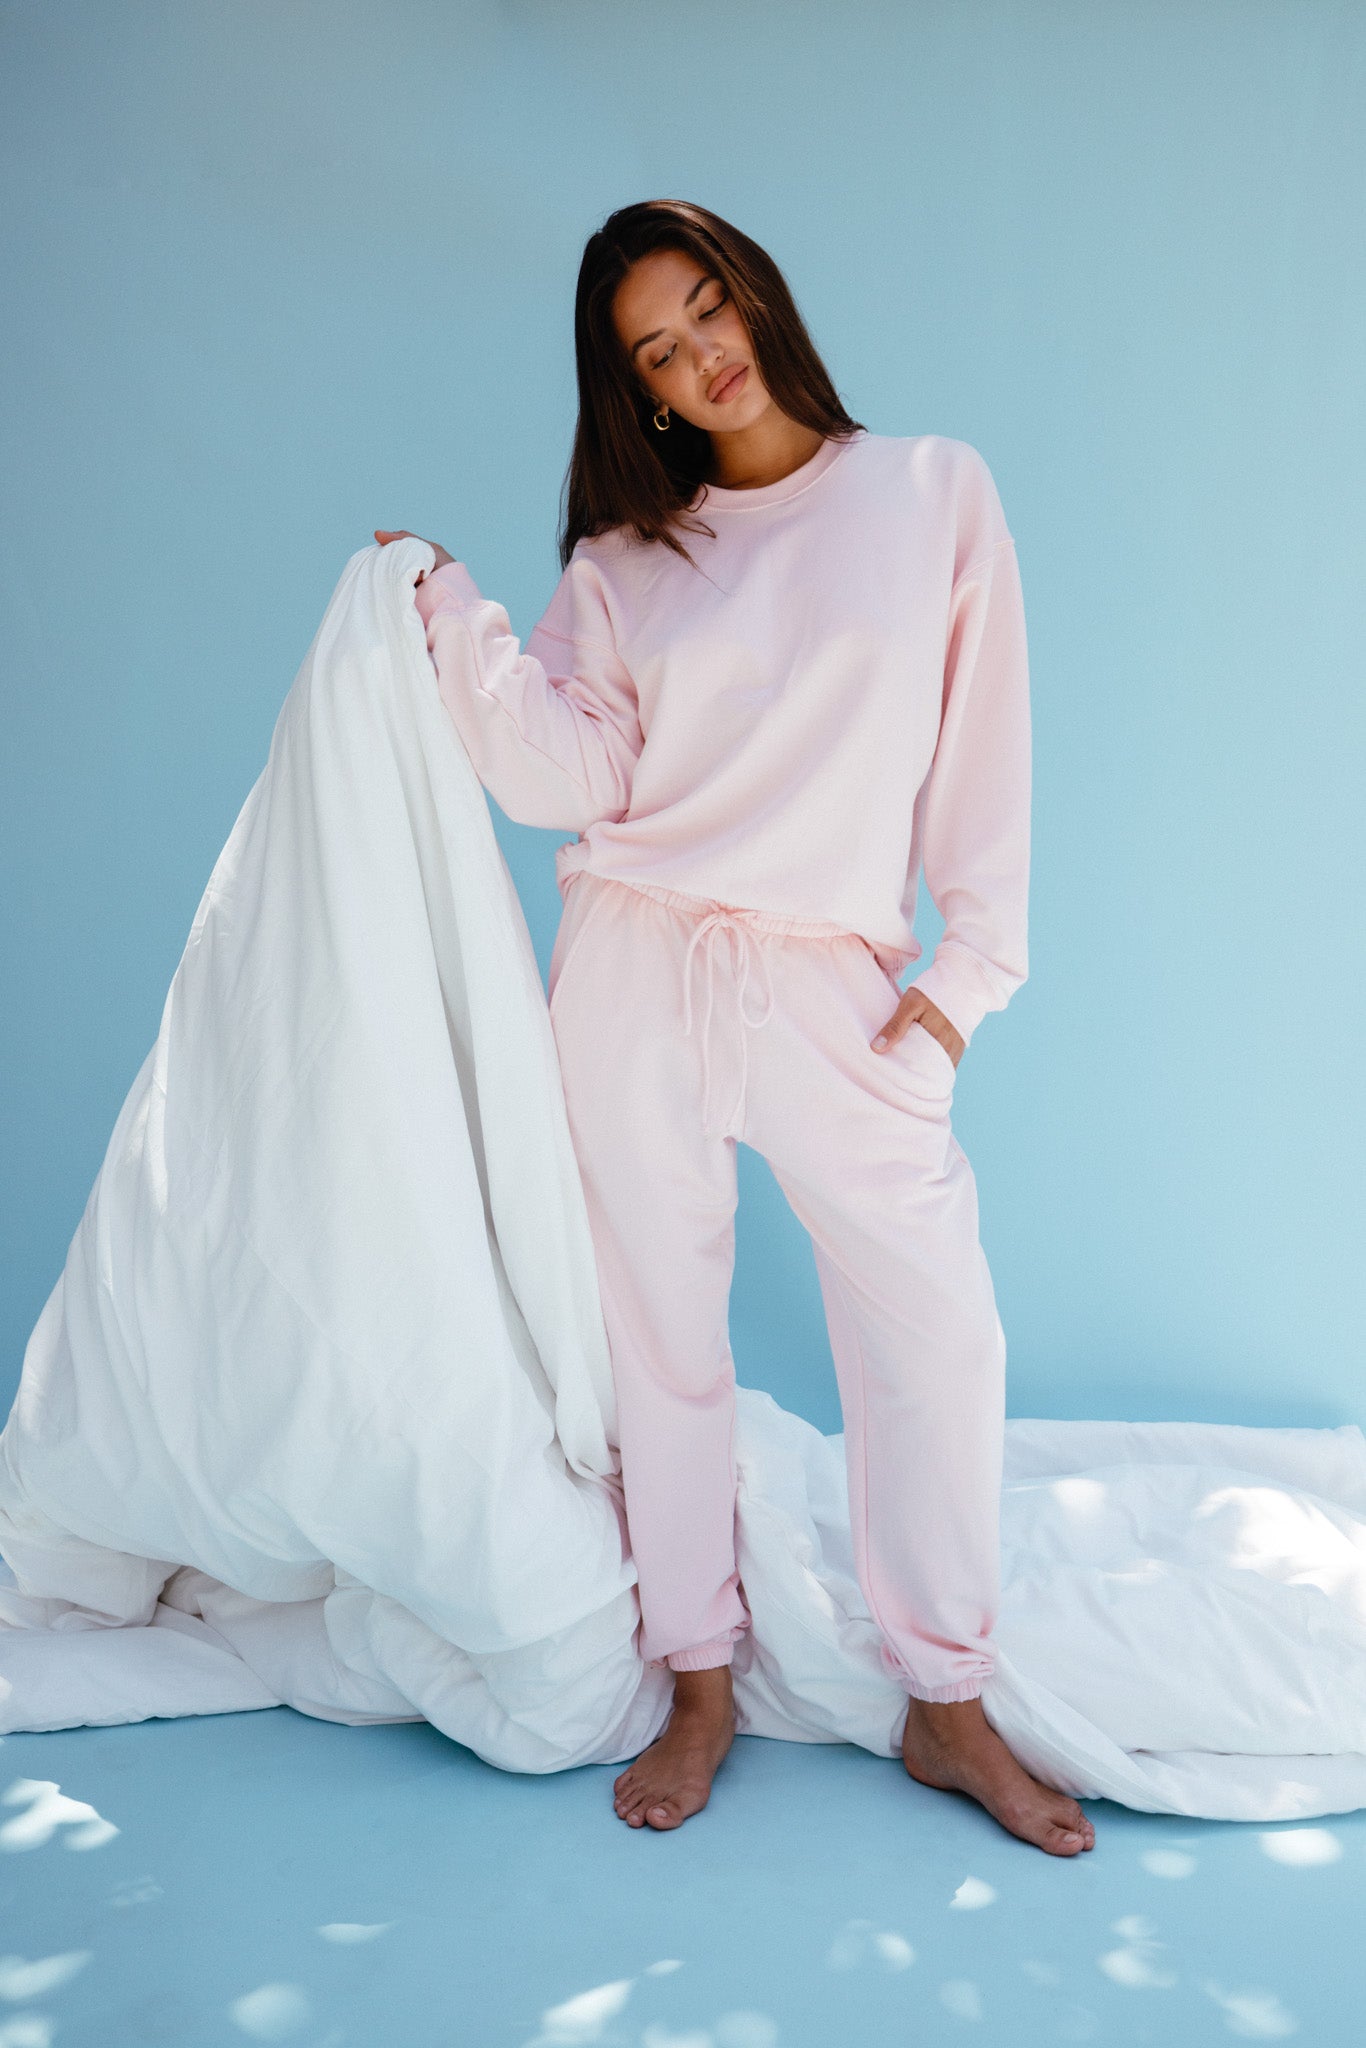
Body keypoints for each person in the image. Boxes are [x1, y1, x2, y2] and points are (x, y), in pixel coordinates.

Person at [377, 198, 1095, 1858]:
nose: (700, 353)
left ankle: (946, 1700)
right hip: (634, 969)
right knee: (659, 1347)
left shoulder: (929, 492)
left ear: (756, 295)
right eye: (656, 348)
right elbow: (561, 776)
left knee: (935, 1337)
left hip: (832, 985)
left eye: (708, 307)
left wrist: (960, 991)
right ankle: (695, 1681)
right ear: (633, 390)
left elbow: (984, 755)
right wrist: (446, 608)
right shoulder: (624, 563)